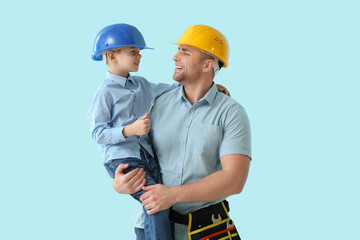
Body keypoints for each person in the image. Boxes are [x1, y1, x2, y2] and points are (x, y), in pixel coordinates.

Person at [113, 25, 252, 240]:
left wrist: (172, 195)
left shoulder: (231, 113)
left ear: (208, 64)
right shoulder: (155, 103)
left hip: (208, 230)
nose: (175, 56)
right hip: (153, 227)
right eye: (178, 49)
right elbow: (133, 150)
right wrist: (121, 183)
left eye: (185, 52)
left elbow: (234, 179)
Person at [87, 23, 176, 240]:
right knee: (156, 201)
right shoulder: (105, 93)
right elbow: (98, 133)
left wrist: (213, 88)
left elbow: (172, 89)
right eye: (133, 52)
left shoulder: (142, 84)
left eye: (139, 53)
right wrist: (129, 130)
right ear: (112, 56)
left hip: (145, 157)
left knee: (158, 205)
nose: (139, 57)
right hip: (122, 160)